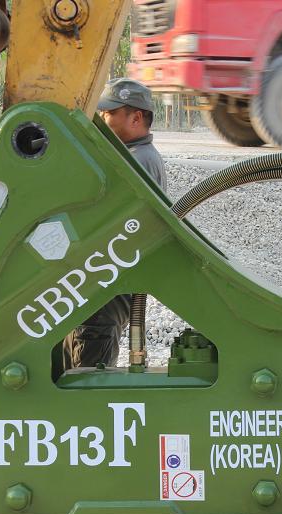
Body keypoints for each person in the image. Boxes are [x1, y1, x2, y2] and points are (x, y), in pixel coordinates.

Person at [61, 79, 167, 371]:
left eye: (109, 113)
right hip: (99, 284)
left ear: (136, 117)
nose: (102, 119)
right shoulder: (130, 156)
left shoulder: (139, 161)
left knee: (87, 374)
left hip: (106, 289)